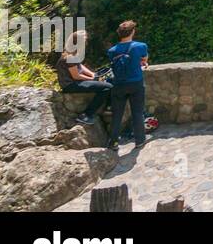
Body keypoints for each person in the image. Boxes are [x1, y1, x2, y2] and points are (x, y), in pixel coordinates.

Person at [106, 20, 150, 148]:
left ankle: (113, 142)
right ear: (132, 32)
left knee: (117, 114)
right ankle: (140, 140)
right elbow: (144, 60)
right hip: (136, 83)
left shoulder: (112, 50)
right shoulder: (141, 46)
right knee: (137, 112)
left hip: (118, 85)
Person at [57, 30, 111, 125]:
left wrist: (93, 74)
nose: (86, 43)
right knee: (107, 87)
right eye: (84, 41)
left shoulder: (73, 53)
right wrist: (92, 79)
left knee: (106, 83)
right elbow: (76, 76)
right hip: (70, 85)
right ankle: (86, 115)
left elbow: (80, 66)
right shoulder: (69, 56)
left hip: (74, 82)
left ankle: (107, 108)